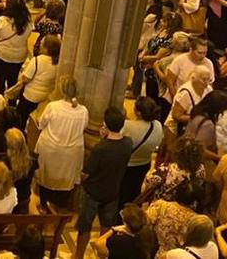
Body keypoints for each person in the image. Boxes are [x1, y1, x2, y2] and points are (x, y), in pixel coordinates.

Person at [75, 106, 134, 259]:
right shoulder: (128, 143)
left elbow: (86, 174)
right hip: (113, 192)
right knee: (107, 227)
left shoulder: (100, 148)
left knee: (84, 227)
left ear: (105, 125)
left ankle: (78, 256)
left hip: (93, 193)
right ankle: (101, 255)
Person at [35, 75, 89, 209]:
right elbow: (84, 127)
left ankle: (43, 206)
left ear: (61, 90)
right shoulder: (83, 111)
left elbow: (41, 124)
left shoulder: (53, 107)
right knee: (65, 180)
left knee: (46, 176)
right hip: (71, 152)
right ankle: (59, 207)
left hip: (51, 148)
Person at [121, 97, 164, 204]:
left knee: (122, 192)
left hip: (128, 165)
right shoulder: (157, 125)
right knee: (135, 189)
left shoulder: (128, 125)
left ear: (139, 112)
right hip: (144, 163)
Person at [0, 0, 32, 89]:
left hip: (1, 53)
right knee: (13, 80)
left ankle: (0, 99)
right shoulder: (28, 22)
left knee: (0, 79)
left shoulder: (2, 20)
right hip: (19, 56)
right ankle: (11, 99)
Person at [91, 204, 157, 259]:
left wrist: (113, 230)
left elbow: (98, 244)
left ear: (125, 224)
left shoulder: (119, 241)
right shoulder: (150, 237)